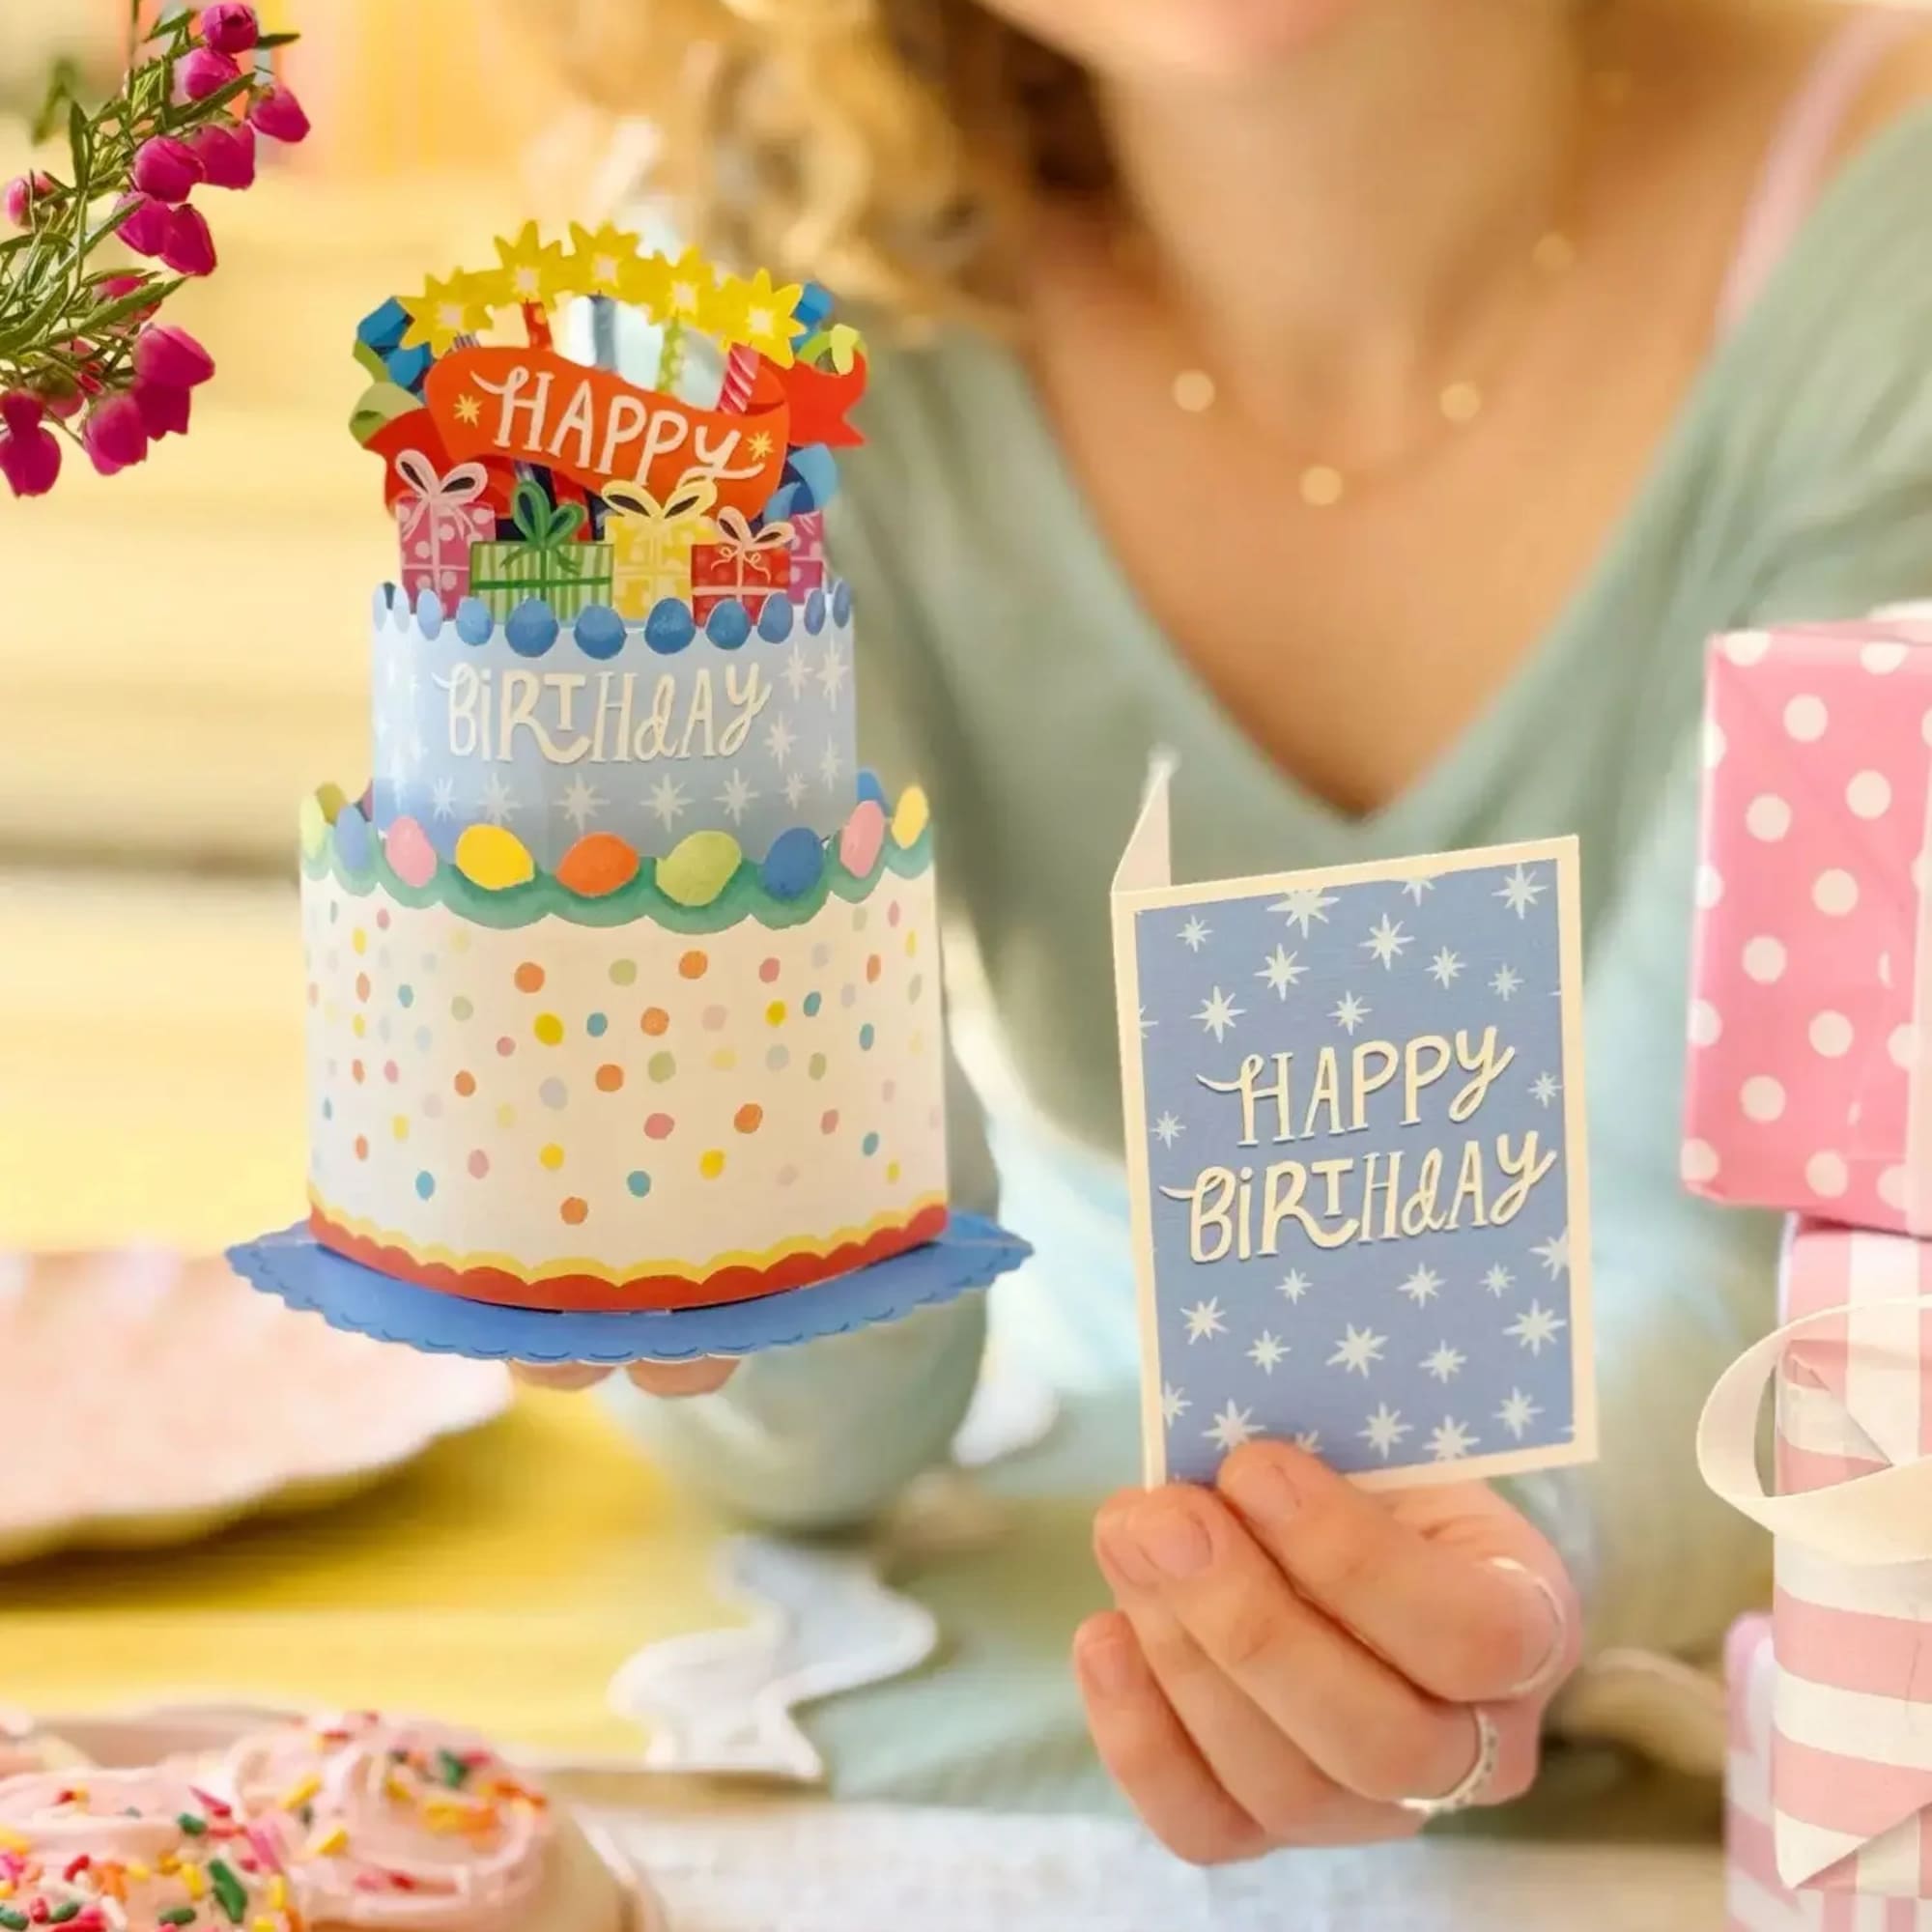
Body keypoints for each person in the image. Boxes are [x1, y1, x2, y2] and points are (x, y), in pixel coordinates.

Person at [521, 0, 1932, 1859]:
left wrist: (1494, 1553)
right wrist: (667, 1156)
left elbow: (1766, 1264)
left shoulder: (1882, 243)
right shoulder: (702, 329)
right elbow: (806, 1433)